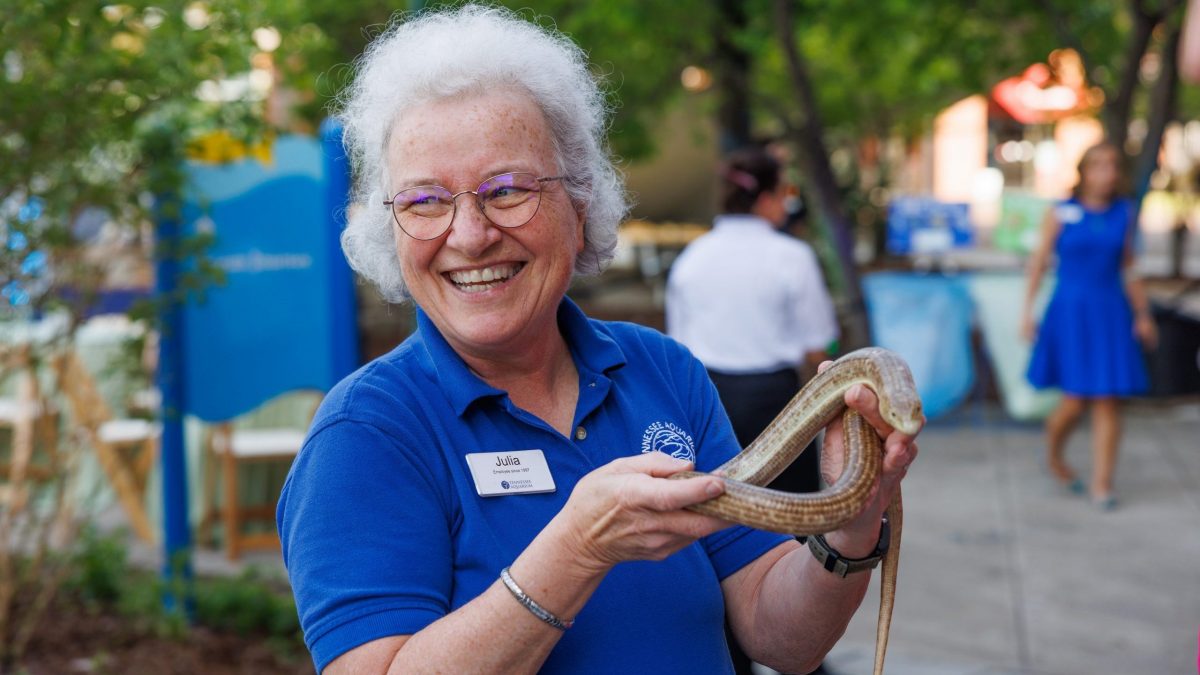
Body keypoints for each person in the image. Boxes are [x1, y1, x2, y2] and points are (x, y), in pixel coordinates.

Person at [276, 6, 920, 674]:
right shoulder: (367, 433)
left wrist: (849, 519)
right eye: (425, 202)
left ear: (579, 207)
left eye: (507, 190)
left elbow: (780, 637)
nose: (469, 235)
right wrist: (577, 549)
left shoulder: (661, 368)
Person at [667, 146, 840, 675]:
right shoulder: (791, 256)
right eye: (783, 193)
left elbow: (678, 343)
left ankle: (735, 653)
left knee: (718, 532)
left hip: (705, 401)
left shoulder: (693, 257)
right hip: (775, 403)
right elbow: (818, 347)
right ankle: (800, 650)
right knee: (792, 534)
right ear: (766, 197)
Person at [1021, 142, 1157, 511]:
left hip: (1110, 311)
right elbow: (1038, 263)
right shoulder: (1061, 212)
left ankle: (1102, 484)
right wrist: (1026, 312)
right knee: (1074, 400)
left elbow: (1129, 268)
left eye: (1112, 166)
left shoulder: (1124, 213)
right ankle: (1053, 454)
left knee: (1108, 399)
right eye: (1098, 165)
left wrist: (1142, 314)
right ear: (1084, 171)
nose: (1106, 173)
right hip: (1069, 312)